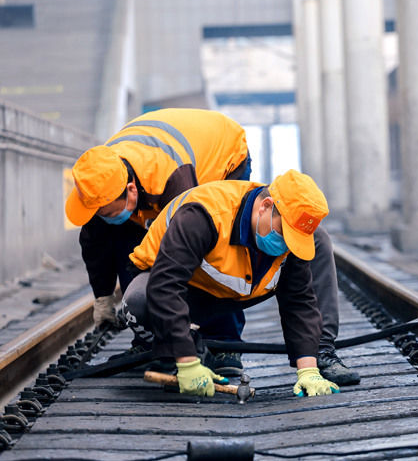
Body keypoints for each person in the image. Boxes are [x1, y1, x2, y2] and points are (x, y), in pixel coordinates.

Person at [65, 108, 359, 385]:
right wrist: (104, 297)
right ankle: (154, 343)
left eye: (106, 211)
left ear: (131, 190)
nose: (103, 217)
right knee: (140, 252)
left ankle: (227, 348)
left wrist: (185, 339)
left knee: (226, 249)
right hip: (170, 159)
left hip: (223, 155)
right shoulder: (102, 180)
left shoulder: (179, 187)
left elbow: (180, 261)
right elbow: (99, 242)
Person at [121, 171, 339, 398]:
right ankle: (183, 346)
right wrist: (186, 361)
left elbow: (298, 300)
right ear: (265, 206)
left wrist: (308, 370)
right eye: (283, 233)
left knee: (312, 250)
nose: (285, 243)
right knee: (138, 302)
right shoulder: (203, 215)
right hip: (181, 288)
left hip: (230, 292)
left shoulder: (289, 230)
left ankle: (194, 342)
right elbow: (166, 286)